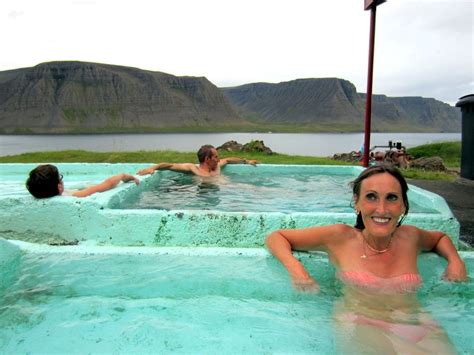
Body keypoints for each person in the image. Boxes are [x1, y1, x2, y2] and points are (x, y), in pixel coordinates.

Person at [266, 164, 467, 353]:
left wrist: (455, 262)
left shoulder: (410, 237)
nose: (381, 209)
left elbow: (440, 238)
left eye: (391, 198)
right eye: (371, 197)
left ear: (403, 206)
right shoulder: (340, 238)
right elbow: (277, 237)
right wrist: (297, 271)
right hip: (359, 320)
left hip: (415, 320)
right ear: (357, 203)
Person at [137, 144, 258, 177]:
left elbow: (228, 160)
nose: (218, 159)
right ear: (207, 159)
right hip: (203, 194)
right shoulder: (193, 169)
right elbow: (170, 165)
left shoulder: (217, 166)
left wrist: (246, 161)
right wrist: (152, 168)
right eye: (216, 157)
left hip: (223, 191)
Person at [26, 164, 139, 198]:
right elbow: (107, 184)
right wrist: (123, 175)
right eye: (60, 178)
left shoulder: (41, 193)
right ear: (59, 187)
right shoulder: (77, 195)